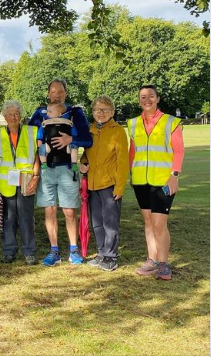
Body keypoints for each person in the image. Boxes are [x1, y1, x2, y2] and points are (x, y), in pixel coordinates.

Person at [28, 79, 92, 266]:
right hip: (47, 170)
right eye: (53, 91)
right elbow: (30, 136)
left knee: (69, 211)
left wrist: (71, 139)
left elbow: (88, 140)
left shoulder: (75, 113)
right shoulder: (41, 113)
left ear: (66, 93)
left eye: (61, 91)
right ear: (48, 93)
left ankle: (74, 250)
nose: (57, 94)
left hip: (67, 169)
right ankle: (54, 250)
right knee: (49, 210)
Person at [128, 85, 184, 280]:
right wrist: (131, 173)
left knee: (159, 224)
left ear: (158, 99)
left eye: (151, 96)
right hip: (141, 180)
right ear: (139, 100)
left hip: (163, 180)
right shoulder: (133, 123)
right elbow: (133, 151)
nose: (147, 100)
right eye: (143, 97)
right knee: (149, 222)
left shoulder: (171, 122)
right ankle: (151, 260)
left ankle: (163, 263)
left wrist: (174, 175)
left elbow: (178, 150)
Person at [79, 96, 129, 272]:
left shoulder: (118, 131)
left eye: (105, 110)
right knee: (97, 223)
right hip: (92, 184)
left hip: (109, 185)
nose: (100, 113)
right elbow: (86, 154)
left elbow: (123, 162)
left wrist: (120, 187)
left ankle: (111, 256)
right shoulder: (90, 130)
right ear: (92, 112)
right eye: (97, 110)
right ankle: (101, 253)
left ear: (112, 112)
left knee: (110, 223)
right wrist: (82, 163)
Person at [0, 101, 40, 265]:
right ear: (4, 117)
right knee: (8, 218)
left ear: (20, 115)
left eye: (16, 113)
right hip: (6, 183)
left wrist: (36, 177)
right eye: (10, 114)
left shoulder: (31, 131)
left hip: (26, 182)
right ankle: (9, 251)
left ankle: (29, 252)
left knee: (26, 217)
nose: (13, 117)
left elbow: (36, 157)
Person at [37, 101, 79, 173]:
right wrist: (39, 142)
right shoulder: (45, 123)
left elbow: (75, 135)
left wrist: (71, 139)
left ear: (59, 114)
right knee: (42, 148)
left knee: (74, 146)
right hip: (49, 146)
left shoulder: (69, 123)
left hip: (66, 147)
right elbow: (40, 135)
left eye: (50, 111)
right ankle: (44, 163)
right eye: (47, 111)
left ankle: (74, 163)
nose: (47, 113)